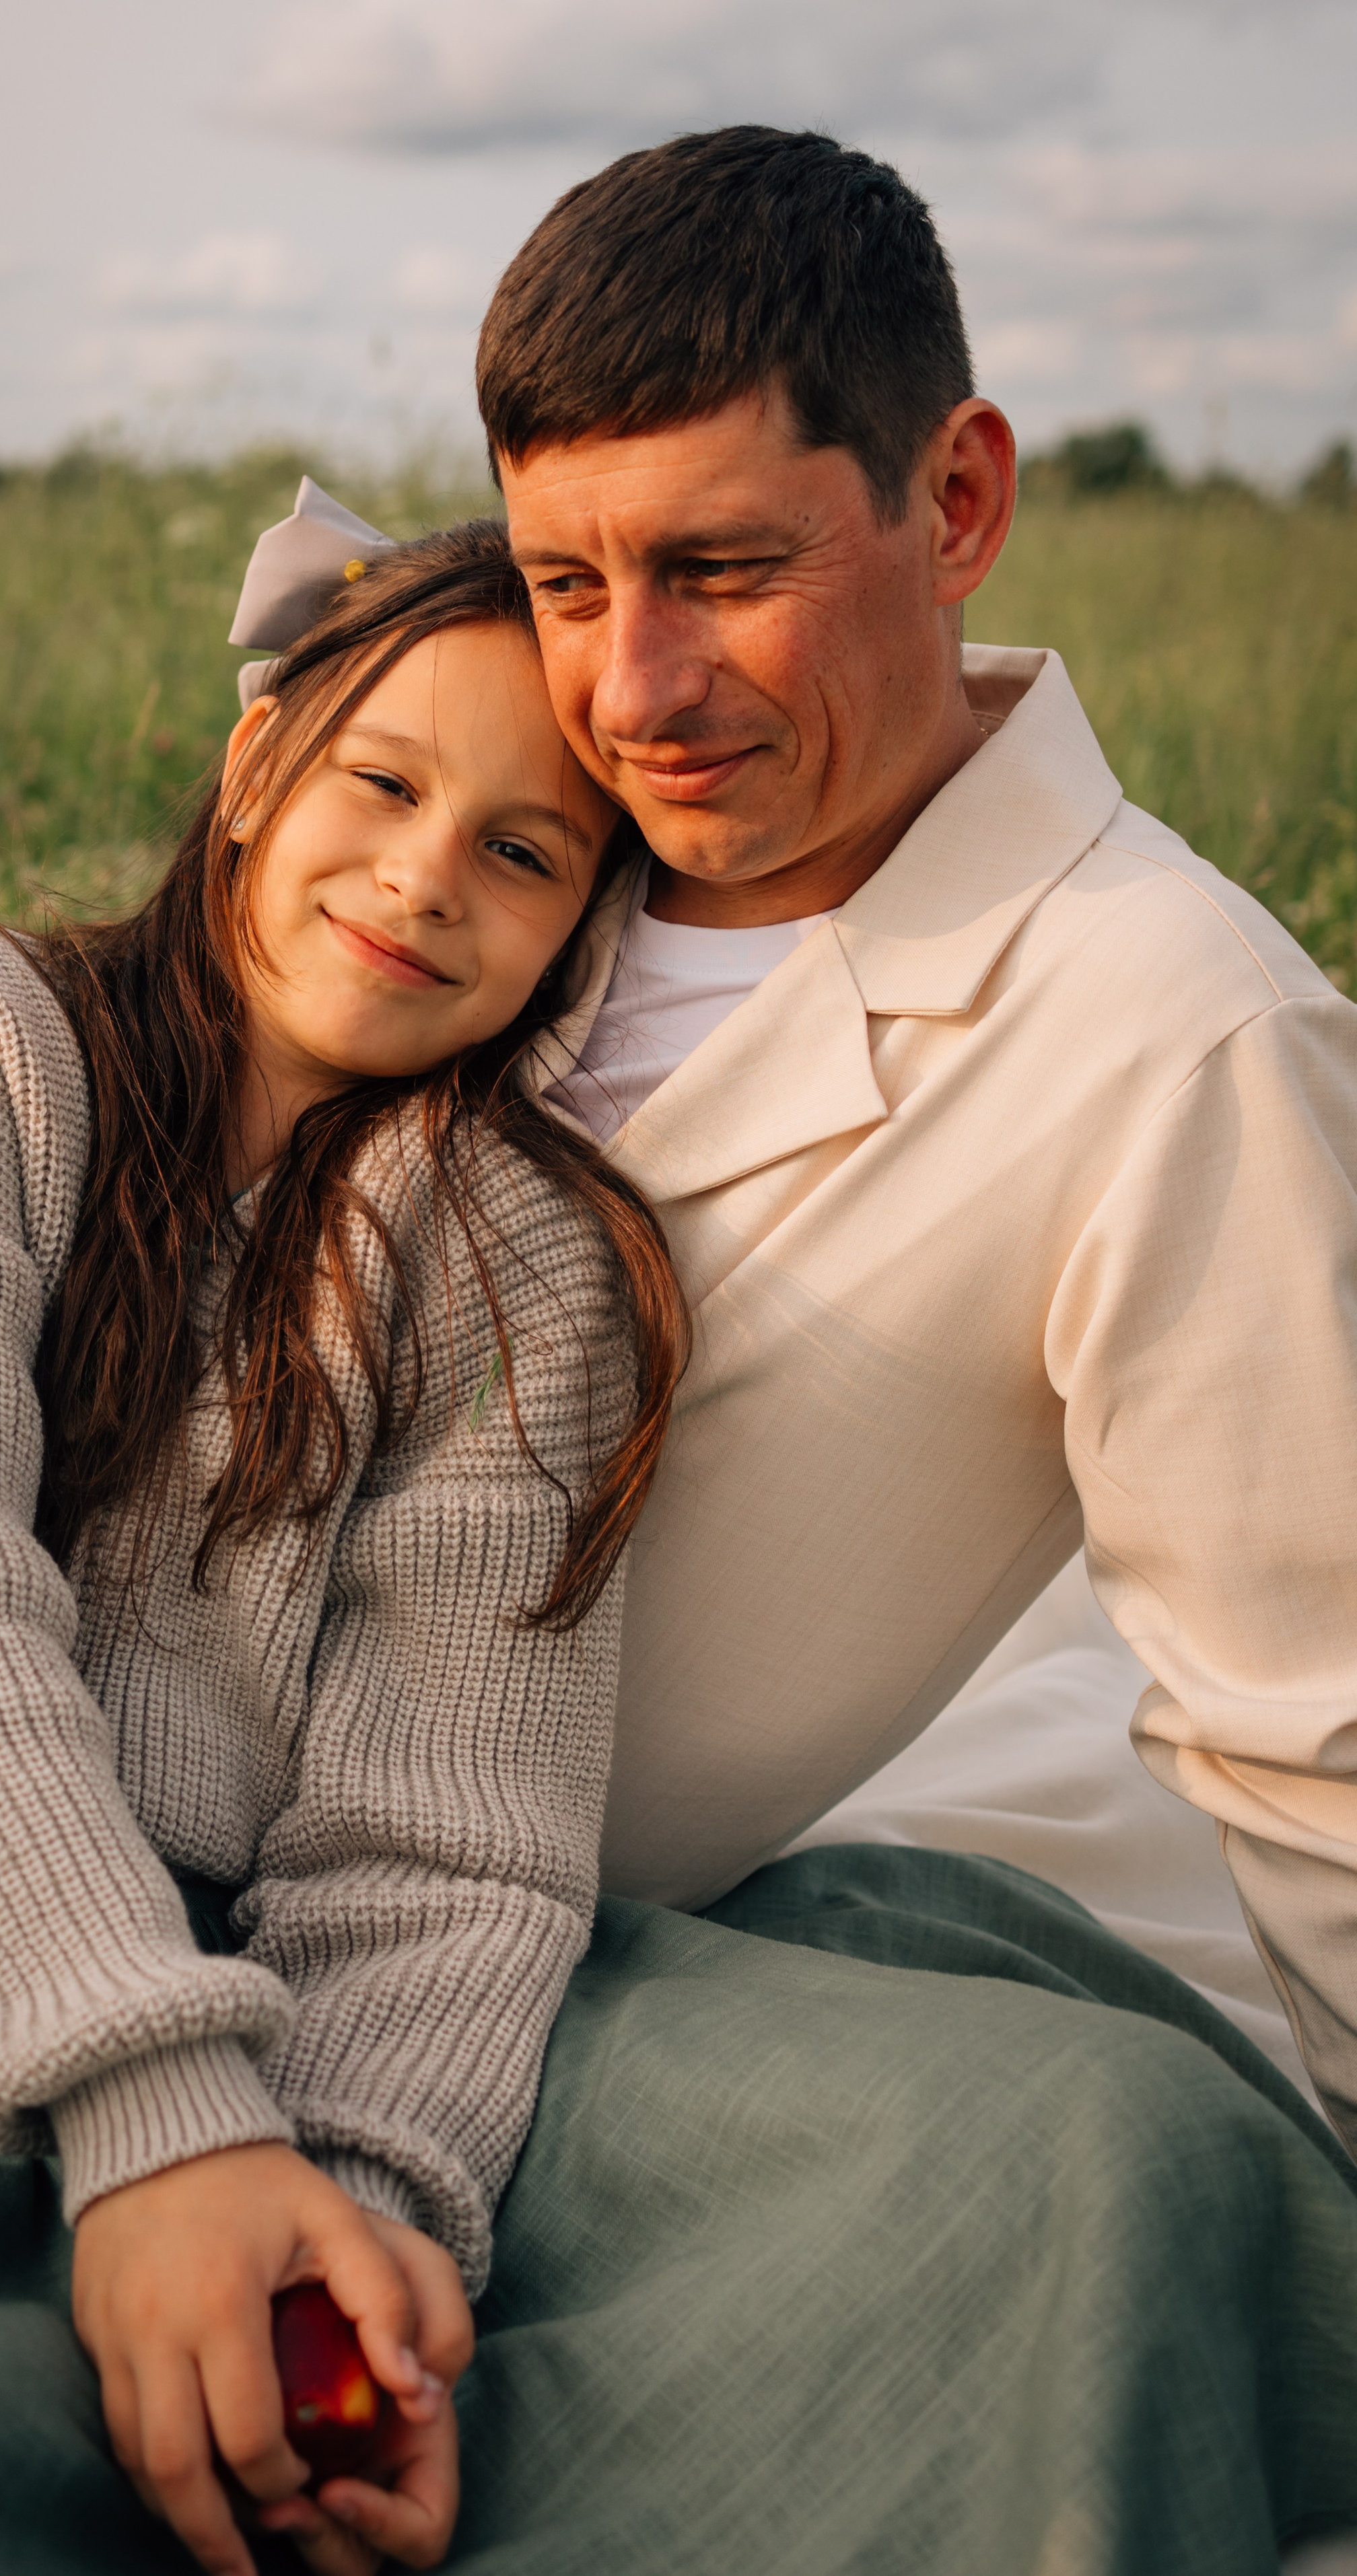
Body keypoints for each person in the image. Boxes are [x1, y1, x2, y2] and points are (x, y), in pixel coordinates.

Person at [407, 125, 1357, 2574]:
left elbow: (1322, 1731)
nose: (637, 688)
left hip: (413, 1922)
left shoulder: (1178, 1034)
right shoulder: (501, 813)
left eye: (728, 569)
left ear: (957, 498)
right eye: (566, 579)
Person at [0, 522, 687, 2576]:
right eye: (383, 783)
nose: (422, 877)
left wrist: (349, 2229)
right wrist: (157, 2114)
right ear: (254, 764)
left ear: (581, 936)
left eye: (525, 852)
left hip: (224, 2015)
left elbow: (449, 1829)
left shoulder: (526, 1264)